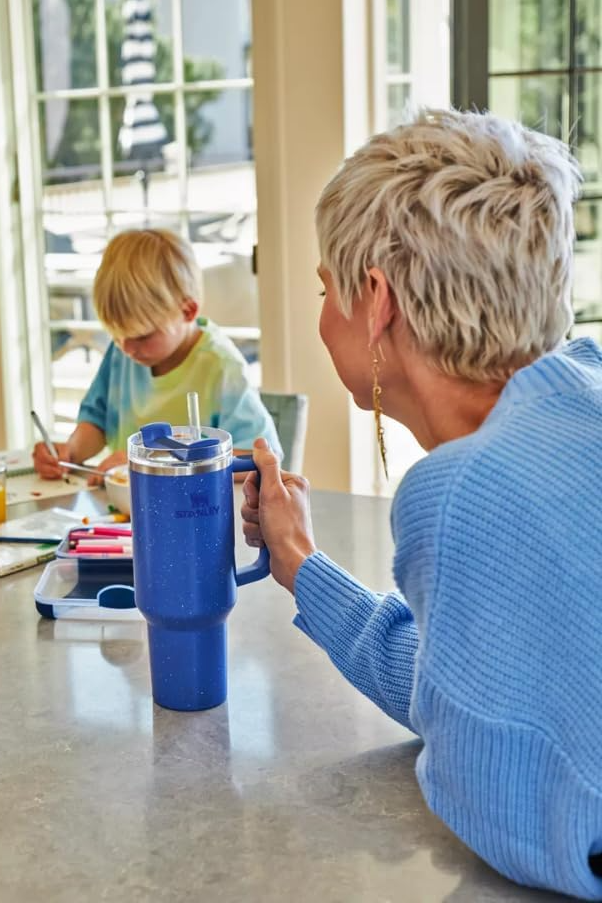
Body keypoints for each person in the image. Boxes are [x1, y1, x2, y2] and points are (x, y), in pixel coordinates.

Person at [240, 108, 602, 899]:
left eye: (326, 289)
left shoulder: (463, 489)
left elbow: (489, 790)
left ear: (377, 301)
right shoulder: (585, 393)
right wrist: (299, 562)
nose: (323, 313)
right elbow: (472, 690)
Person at [33, 227, 281, 480]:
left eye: (142, 337)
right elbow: (97, 421)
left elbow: (258, 460)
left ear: (187, 311)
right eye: (116, 335)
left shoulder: (221, 367)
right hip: (124, 501)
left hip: (192, 504)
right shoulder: (124, 350)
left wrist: (155, 461)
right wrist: (70, 452)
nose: (126, 348)